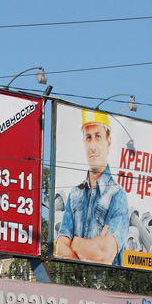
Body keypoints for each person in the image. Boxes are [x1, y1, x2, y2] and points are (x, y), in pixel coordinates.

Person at [53, 109, 129, 265]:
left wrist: (75, 243)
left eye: (98, 136)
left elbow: (104, 255)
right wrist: (92, 248)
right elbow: (60, 250)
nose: (92, 145)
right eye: (88, 138)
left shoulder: (117, 195)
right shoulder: (74, 194)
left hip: (109, 285)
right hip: (75, 284)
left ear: (108, 142)